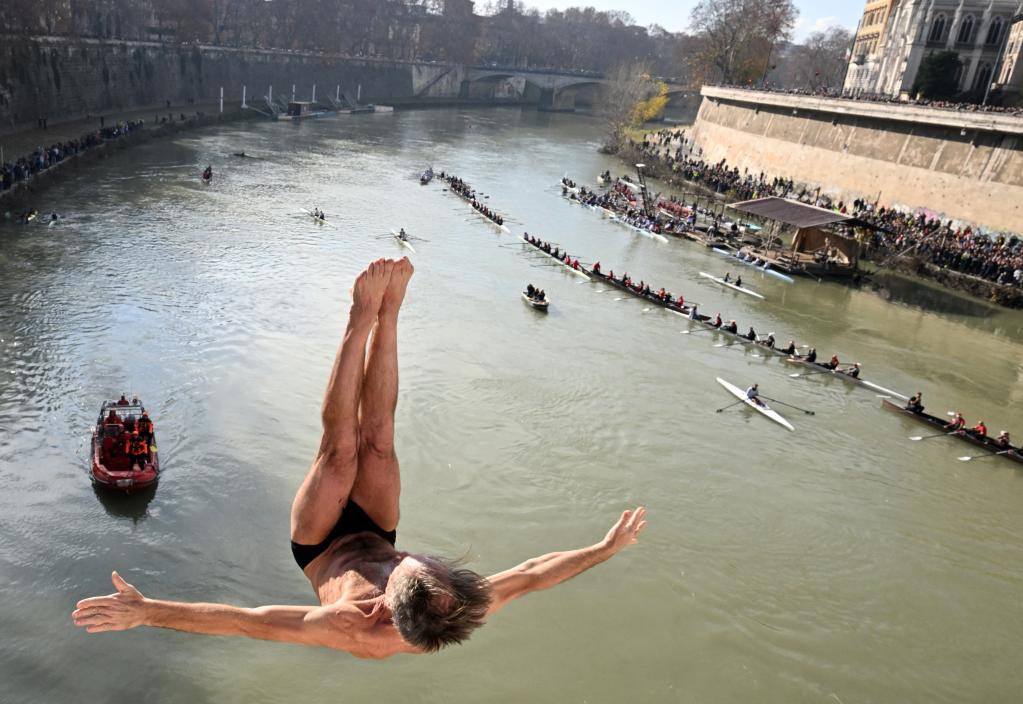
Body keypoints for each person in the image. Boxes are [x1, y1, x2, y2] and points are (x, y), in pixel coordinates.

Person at [72, 258, 646, 657]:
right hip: (375, 527)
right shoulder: (456, 606)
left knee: (340, 452)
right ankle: (391, 314)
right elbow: (530, 576)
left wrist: (149, 611)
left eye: (405, 570)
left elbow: (242, 622)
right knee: (378, 440)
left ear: (383, 606)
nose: (413, 560)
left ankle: (358, 320)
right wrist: (604, 548)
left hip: (321, 546)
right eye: (423, 563)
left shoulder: (346, 626)